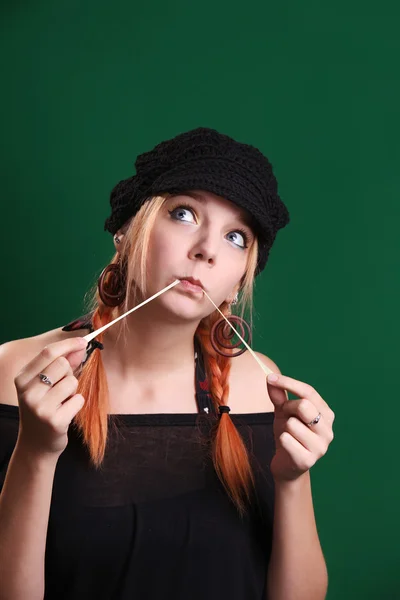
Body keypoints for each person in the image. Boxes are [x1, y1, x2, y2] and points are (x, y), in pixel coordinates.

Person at [0, 127, 335, 600]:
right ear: (126, 232)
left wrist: (292, 479)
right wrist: (34, 454)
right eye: (184, 213)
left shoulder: (257, 385)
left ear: (238, 282)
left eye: (236, 237)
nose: (207, 250)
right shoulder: (13, 372)